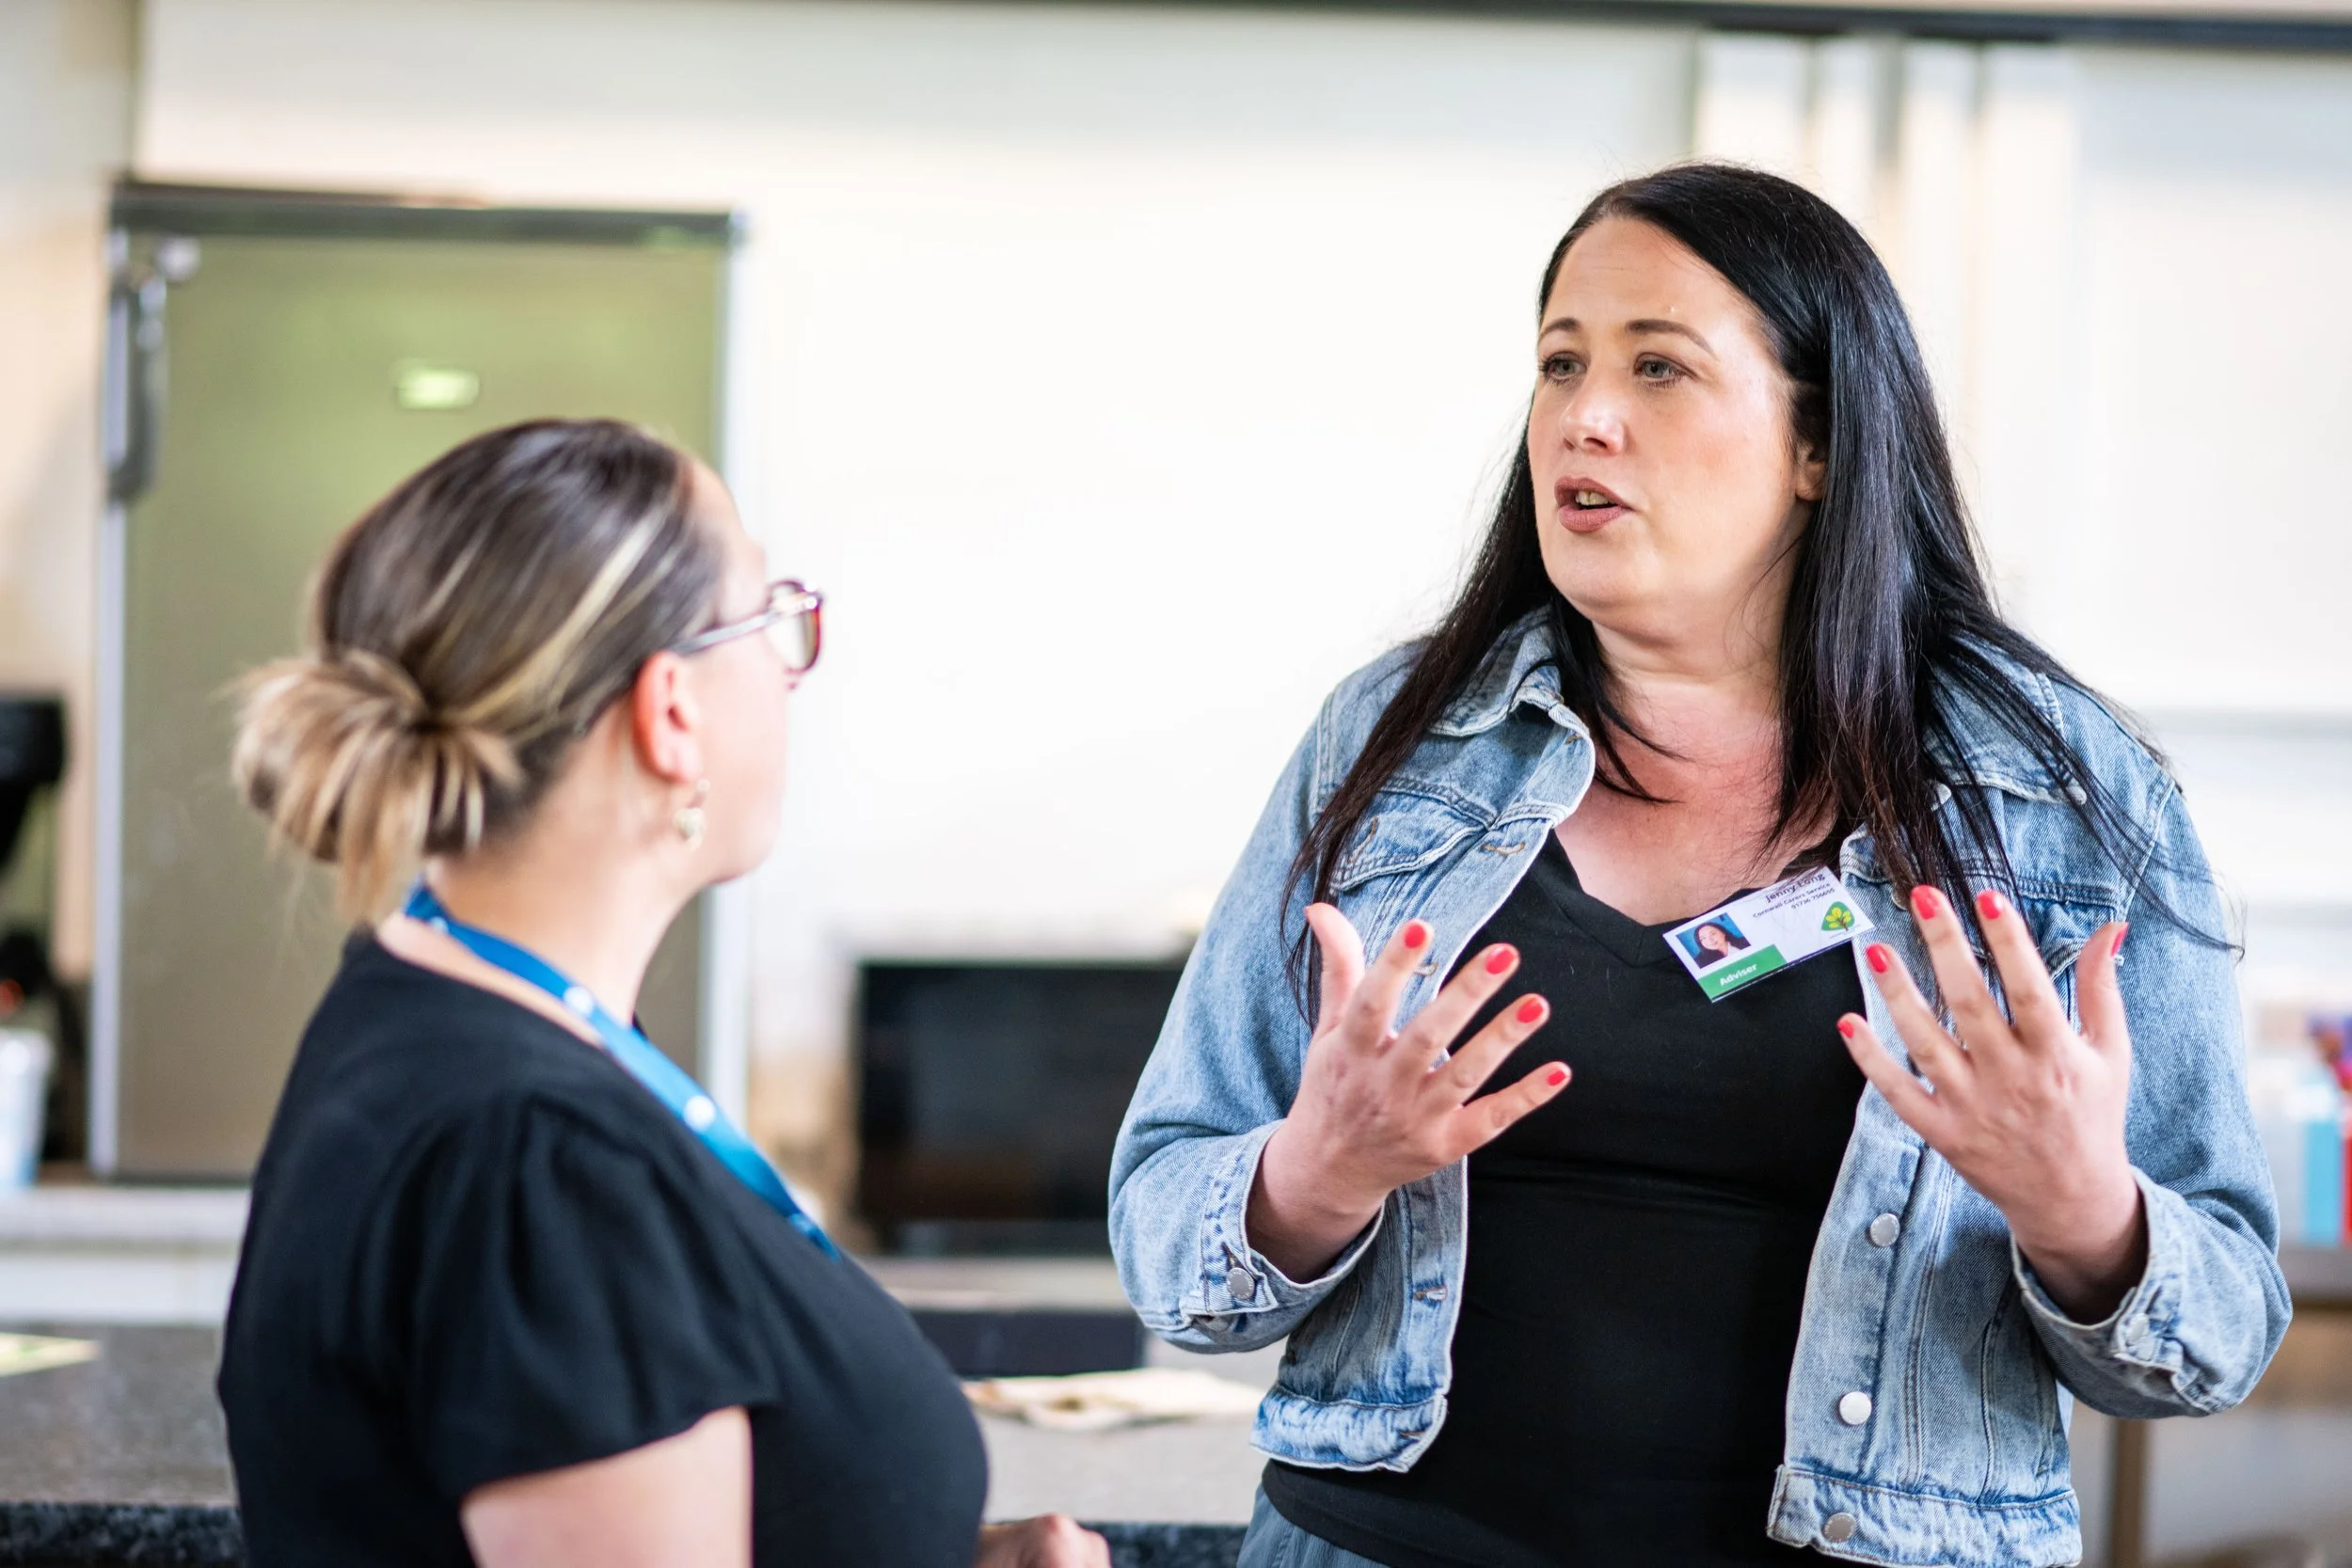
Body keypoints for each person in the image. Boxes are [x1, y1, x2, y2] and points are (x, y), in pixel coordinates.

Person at [1109, 165, 2286, 1568]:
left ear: (1821, 446)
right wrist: (1313, 1174)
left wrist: (2086, 1212)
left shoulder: (2067, 792)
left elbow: (2216, 1334)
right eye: (1560, 363)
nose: (1582, 417)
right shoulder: (1395, 738)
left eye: (1659, 366)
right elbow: (1166, 1217)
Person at [217, 420, 1106, 1568]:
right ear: (671, 710)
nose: (793, 669)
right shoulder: (542, 1159)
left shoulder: (431, 1003)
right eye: (772, 621)